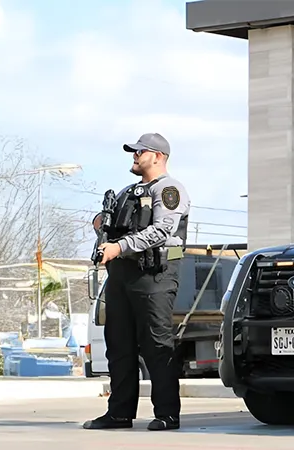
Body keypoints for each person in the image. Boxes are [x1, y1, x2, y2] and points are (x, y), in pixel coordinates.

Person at [83, 132, 191, 431]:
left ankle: (167, 414)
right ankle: (119, 413)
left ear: (157, 156)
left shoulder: (170, 189)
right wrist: (102, 229)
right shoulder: (127, 192)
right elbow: (113, 230)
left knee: (157, 345)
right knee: (118, 346)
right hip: (121, 276)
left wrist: (119, 246)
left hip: (154, 275)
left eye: (140, 151)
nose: (134, 156)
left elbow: (161, 231)